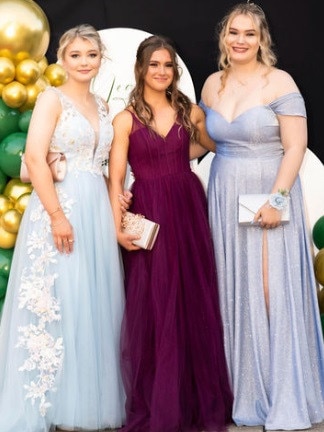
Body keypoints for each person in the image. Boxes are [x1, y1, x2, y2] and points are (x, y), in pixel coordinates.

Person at [200, 2, 324, 430]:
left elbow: (295, 146)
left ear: (261, 39)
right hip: (224, 190)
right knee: (231, 287)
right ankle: (240, 391)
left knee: (271, 290)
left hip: (269, 194)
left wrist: (278, 199)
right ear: (224, 36)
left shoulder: (280, 81)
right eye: (234, 32)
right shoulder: (212, 84)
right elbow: (203, 143)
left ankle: (283, 393)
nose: (240, 40)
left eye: (249, 33)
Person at [0, 24, 126, 431]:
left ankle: (81, 403)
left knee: (89, 302)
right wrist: (56, 215)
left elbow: (104, 164)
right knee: (57, 301)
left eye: (91, 55)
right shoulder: (50, 99)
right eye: (76, 55)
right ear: (62, 59)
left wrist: (117, 197)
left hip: (94, 210)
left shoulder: (105, 108)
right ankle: (46, 403)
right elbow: (35, 158)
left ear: (100, 59)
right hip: (59, 208)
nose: (84, 62)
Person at [108, 34, 233, 432]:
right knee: (155, 303)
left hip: (187, 208)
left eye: (168, 66)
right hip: (148, 212)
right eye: (155, 65)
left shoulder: (190, 112)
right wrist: (116, 227)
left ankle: (197, 402)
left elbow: (217, 146)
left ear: (174, 72)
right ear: (141, 69)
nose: (162, 72)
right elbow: (115, 181)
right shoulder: (124, 119)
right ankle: (160, 403)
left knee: (191, 297)